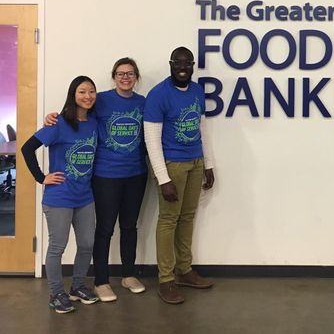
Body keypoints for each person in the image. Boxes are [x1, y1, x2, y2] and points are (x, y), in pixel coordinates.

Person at [45, 58, 148, 302]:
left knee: (130, 226)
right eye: (121, 74)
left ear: (136, 77)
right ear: (113, 77)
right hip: (105, 176)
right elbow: (77, 110)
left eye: (130, 74)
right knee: (104, 229)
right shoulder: (100, 99)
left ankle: (128, 275)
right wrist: (53, 118)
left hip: (136, 174)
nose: (126, 78)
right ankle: (101, 281)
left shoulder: (143, 103)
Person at [21, 76, 100, 314]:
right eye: (82, 92)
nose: (87, 96)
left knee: (87, 244)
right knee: (58, 246)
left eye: (91, 92)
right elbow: (27, 148)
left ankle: (77, 286)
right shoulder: (58, 124)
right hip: (60, 197)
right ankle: (56, 294)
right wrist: (40, 176)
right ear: (73, 95)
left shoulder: (94, 122)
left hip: (85, 195)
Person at [144, 46, 215, 305]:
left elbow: (202, 128)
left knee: (188, 217)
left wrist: (208, 164)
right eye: (178, 63)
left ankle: (185, 270)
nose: (183, 68)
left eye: (188, 63)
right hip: (172, 164)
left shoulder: (196, 91)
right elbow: (151, 140)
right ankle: (166, 279)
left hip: (195, 162)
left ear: (193, 65)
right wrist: (163, 179)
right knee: (168, 220)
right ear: (171, 64)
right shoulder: (158, 95)